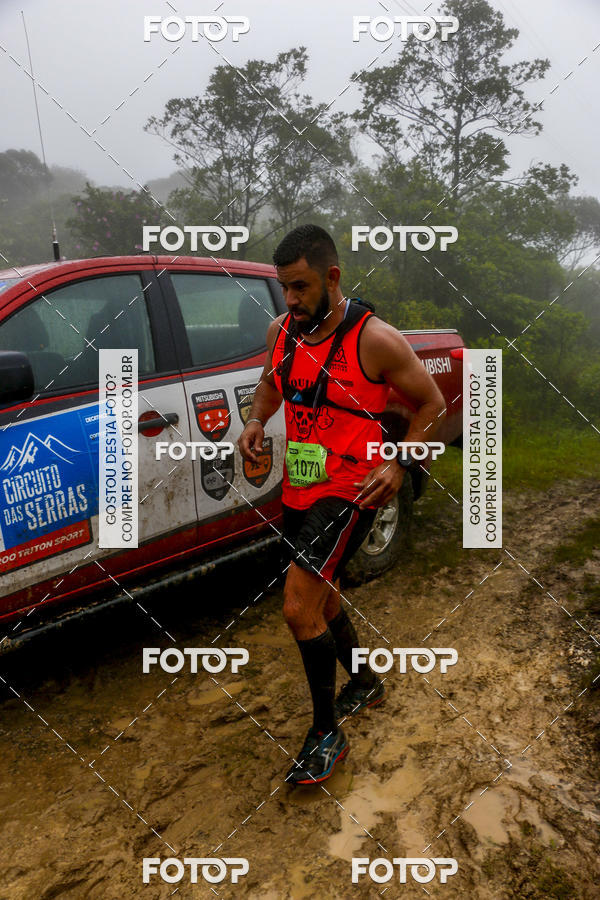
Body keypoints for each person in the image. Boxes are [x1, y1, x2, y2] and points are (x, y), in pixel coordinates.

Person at [238, 224, 445, 785]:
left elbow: (432, 404)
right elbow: (271, 386)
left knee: (297, 608)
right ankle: (364, 682)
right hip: (300, 485)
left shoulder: (375, 340)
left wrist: (399, 463)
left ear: (332, 277)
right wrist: (256, 421)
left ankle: (327, 734)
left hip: (352, 489)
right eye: (284, 287)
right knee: (323, 596)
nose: (290, 299)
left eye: (301, 287)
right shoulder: (282, 331)